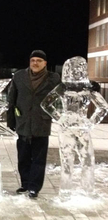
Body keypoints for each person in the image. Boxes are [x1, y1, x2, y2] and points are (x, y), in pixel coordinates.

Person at [41, 56, 108, 200]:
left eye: (78, 69)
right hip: (68, 129)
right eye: (73, 69)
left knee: (88, 160)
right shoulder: (63, 87)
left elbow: (103, 107)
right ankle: (66, 191)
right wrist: (60, 118)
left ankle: (88, 190)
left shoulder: (87, 88)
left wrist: (91, 122)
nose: (76, 72)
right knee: (67, 160)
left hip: (82, 128)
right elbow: (46, 103)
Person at [7, 50, 60, 198]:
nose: (35, 63)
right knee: (23, 157)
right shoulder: (19, 76)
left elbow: (65, 92)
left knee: (38, 159)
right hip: (23, 122)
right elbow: (12, 99)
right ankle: (25, 184)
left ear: (45, 63)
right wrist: (11, 121)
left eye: (39, 60)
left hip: (41, 123)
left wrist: (89, 85)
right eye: (33, 60)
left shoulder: (53, 78)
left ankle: (34, 188)